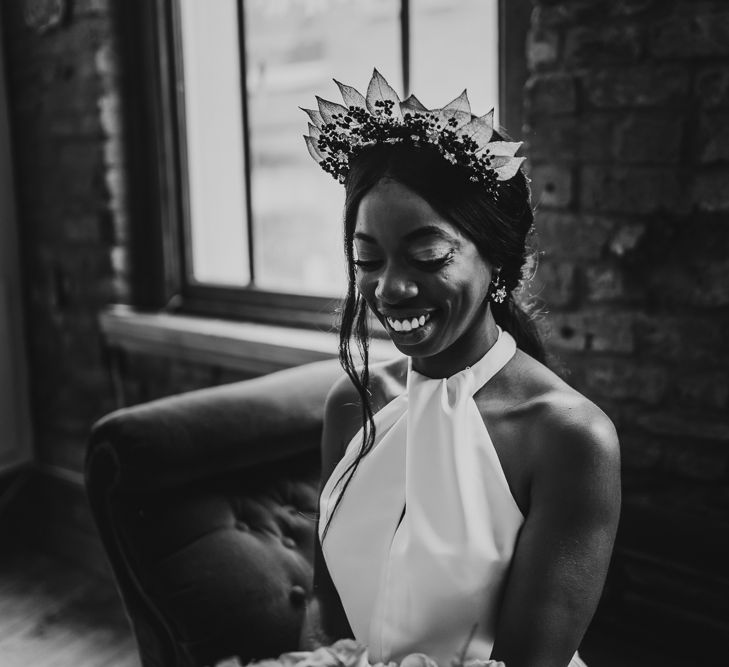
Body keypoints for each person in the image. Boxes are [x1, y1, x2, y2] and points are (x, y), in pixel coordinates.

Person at [298, 70, 621, 667]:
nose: (389, 287)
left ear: (498, 263)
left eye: (428, 256)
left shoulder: (569, 438)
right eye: (366, 259)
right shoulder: (352, 404)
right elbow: (326, 610)